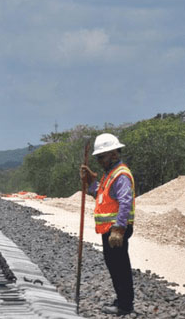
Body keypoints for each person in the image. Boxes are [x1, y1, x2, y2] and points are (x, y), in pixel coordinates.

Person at [80, 133, 135, 316]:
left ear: (113, 154)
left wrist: (118, 229)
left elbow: (125, 202)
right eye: (97, 158)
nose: (99, 161)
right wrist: (90, 181)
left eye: (101, 157)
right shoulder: (109, 174)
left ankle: (125, 306)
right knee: (114, 265)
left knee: (120, 267)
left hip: (116, 230)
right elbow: (101, 195)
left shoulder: (120, 175)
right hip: (109, 230)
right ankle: (122, 300)